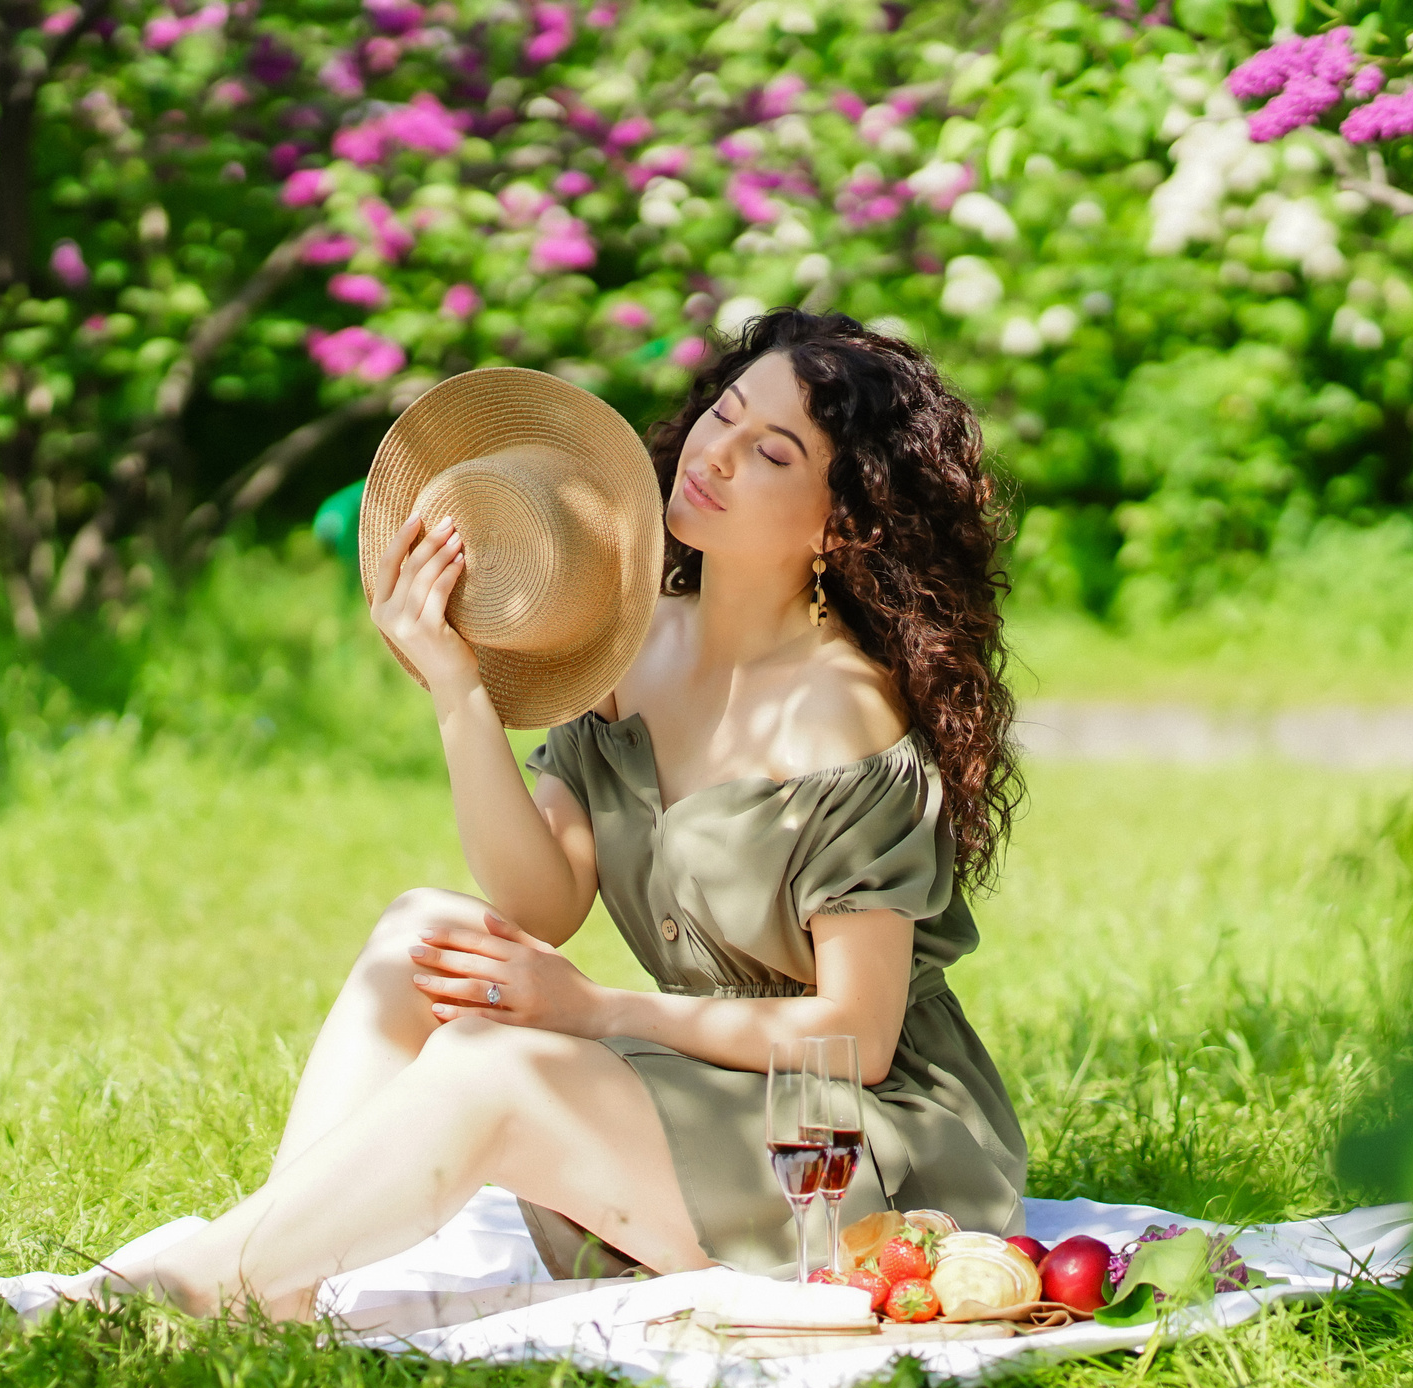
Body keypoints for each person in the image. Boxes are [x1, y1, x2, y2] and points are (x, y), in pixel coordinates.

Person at [108, 309, 1026, 1321]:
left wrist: (598, 1012)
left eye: (770, 451)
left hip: (853, 1153)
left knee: (488, 1061)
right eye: (722, 413)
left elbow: (857, 1037)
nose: (713, 454)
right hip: (702, 1095)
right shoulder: (628, 651)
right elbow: (538, 902)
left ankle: (193, 1291)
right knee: (425, 930)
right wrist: (460, 691)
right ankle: (269, 1279)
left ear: (836, 523)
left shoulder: (838, 710)